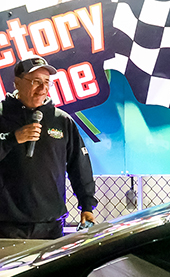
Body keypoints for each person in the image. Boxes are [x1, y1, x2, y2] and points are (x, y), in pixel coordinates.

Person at [0, 56, 97, 239]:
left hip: (51, 226)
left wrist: (86, 205)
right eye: (36, 82)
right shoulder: (1, 116)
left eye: (47, 83)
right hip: (6, 226)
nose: (43, 89)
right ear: (17, 83)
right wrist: (12, 139)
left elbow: (79, 165)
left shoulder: (61, 120)